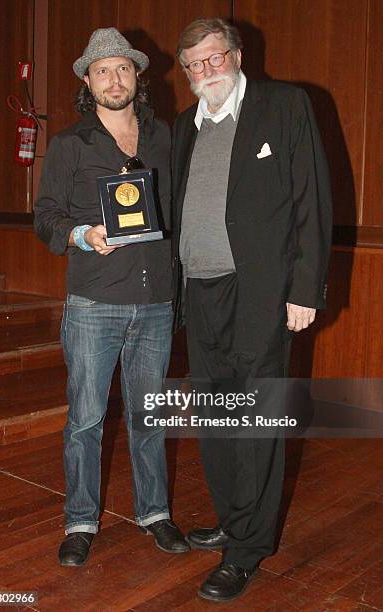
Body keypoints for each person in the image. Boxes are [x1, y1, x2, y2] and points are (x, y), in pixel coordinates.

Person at [172, 18, 332, 602]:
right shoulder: (185, 127)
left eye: (214, 58)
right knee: (215, 417)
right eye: (193, 64)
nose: (205, 70)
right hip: (201, 292)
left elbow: (313, 200)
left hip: (261, 295)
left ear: (236, 56)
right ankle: (233, 517)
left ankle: (246, 550)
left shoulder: (284, 106)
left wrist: (304, 291)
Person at [34, 27, 189, 567]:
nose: (114, 78)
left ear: (137, 76)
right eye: (102, 70)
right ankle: (80, 520)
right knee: (85, 419)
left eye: (122, 67)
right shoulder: (69, 145)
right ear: (87, 80)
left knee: (151, 416)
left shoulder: (164, 137)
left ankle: (154, 513)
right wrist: (81, 234)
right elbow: (46, 215)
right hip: (93, 304)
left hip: (155, 302)